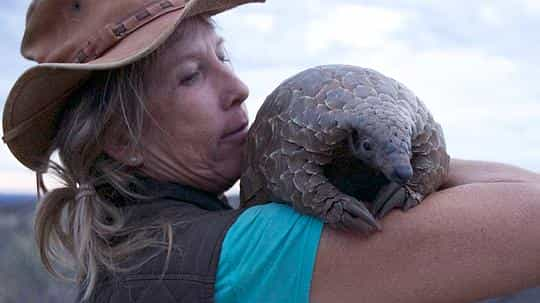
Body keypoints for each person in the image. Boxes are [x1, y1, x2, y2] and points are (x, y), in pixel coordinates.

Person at [3, 0, 540, 302]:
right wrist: (385, 142)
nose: (236, 88)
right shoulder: (240, 258)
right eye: (191, 75)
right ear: (121, 138)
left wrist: (375, 144)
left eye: (223, 56)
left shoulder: (144, 255)